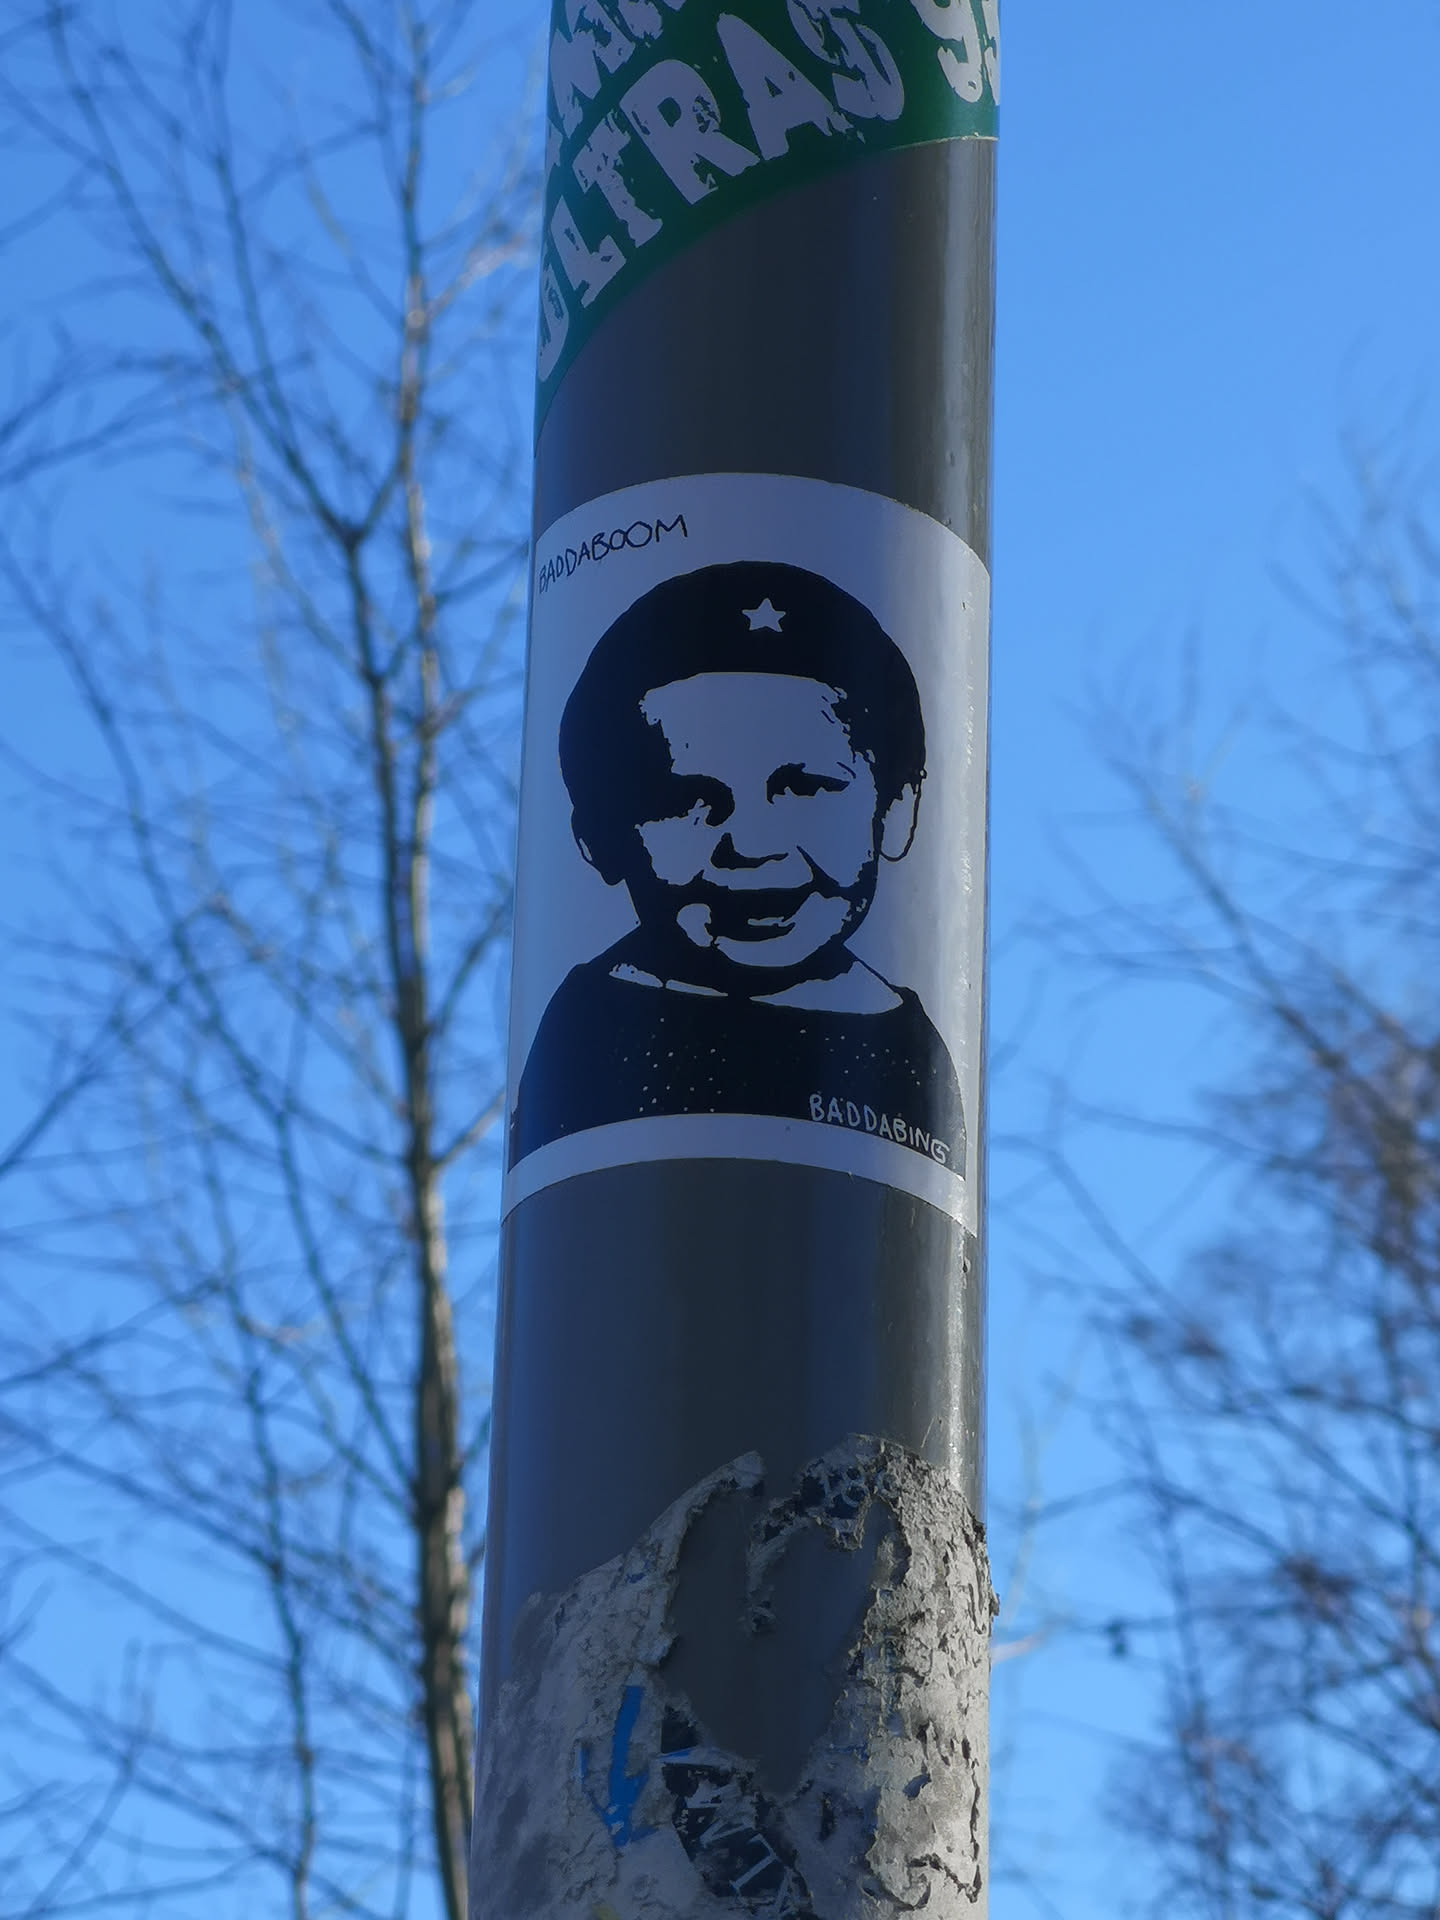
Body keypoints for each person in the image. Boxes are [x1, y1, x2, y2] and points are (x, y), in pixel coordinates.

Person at [509, 559, 964, 1173]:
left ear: (899, 809)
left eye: (805, 788)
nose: (751, 845)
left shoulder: (907, 1050)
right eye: (688, 801)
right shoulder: (591, 1030)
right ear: (598, 835)